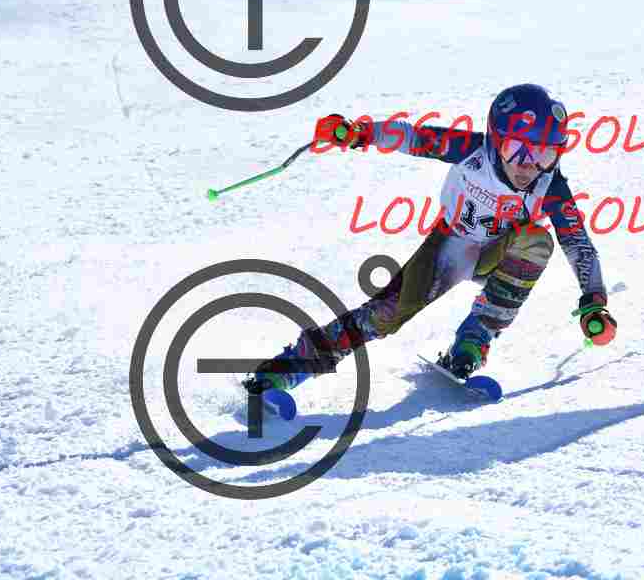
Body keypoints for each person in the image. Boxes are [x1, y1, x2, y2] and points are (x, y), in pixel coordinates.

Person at [244, 84, 617, 396]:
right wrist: (360, 133)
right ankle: (291, 367)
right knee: (386, 316)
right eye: (517, 150)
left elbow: (578, 244)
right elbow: (413, 137)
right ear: (496, 140)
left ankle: (475, 339)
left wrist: (594, 301)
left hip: (497, 254)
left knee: (537, 242)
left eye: (545, 154)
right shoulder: (471, 150)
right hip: (451, 247)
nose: (528, 166)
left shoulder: (551, 185)